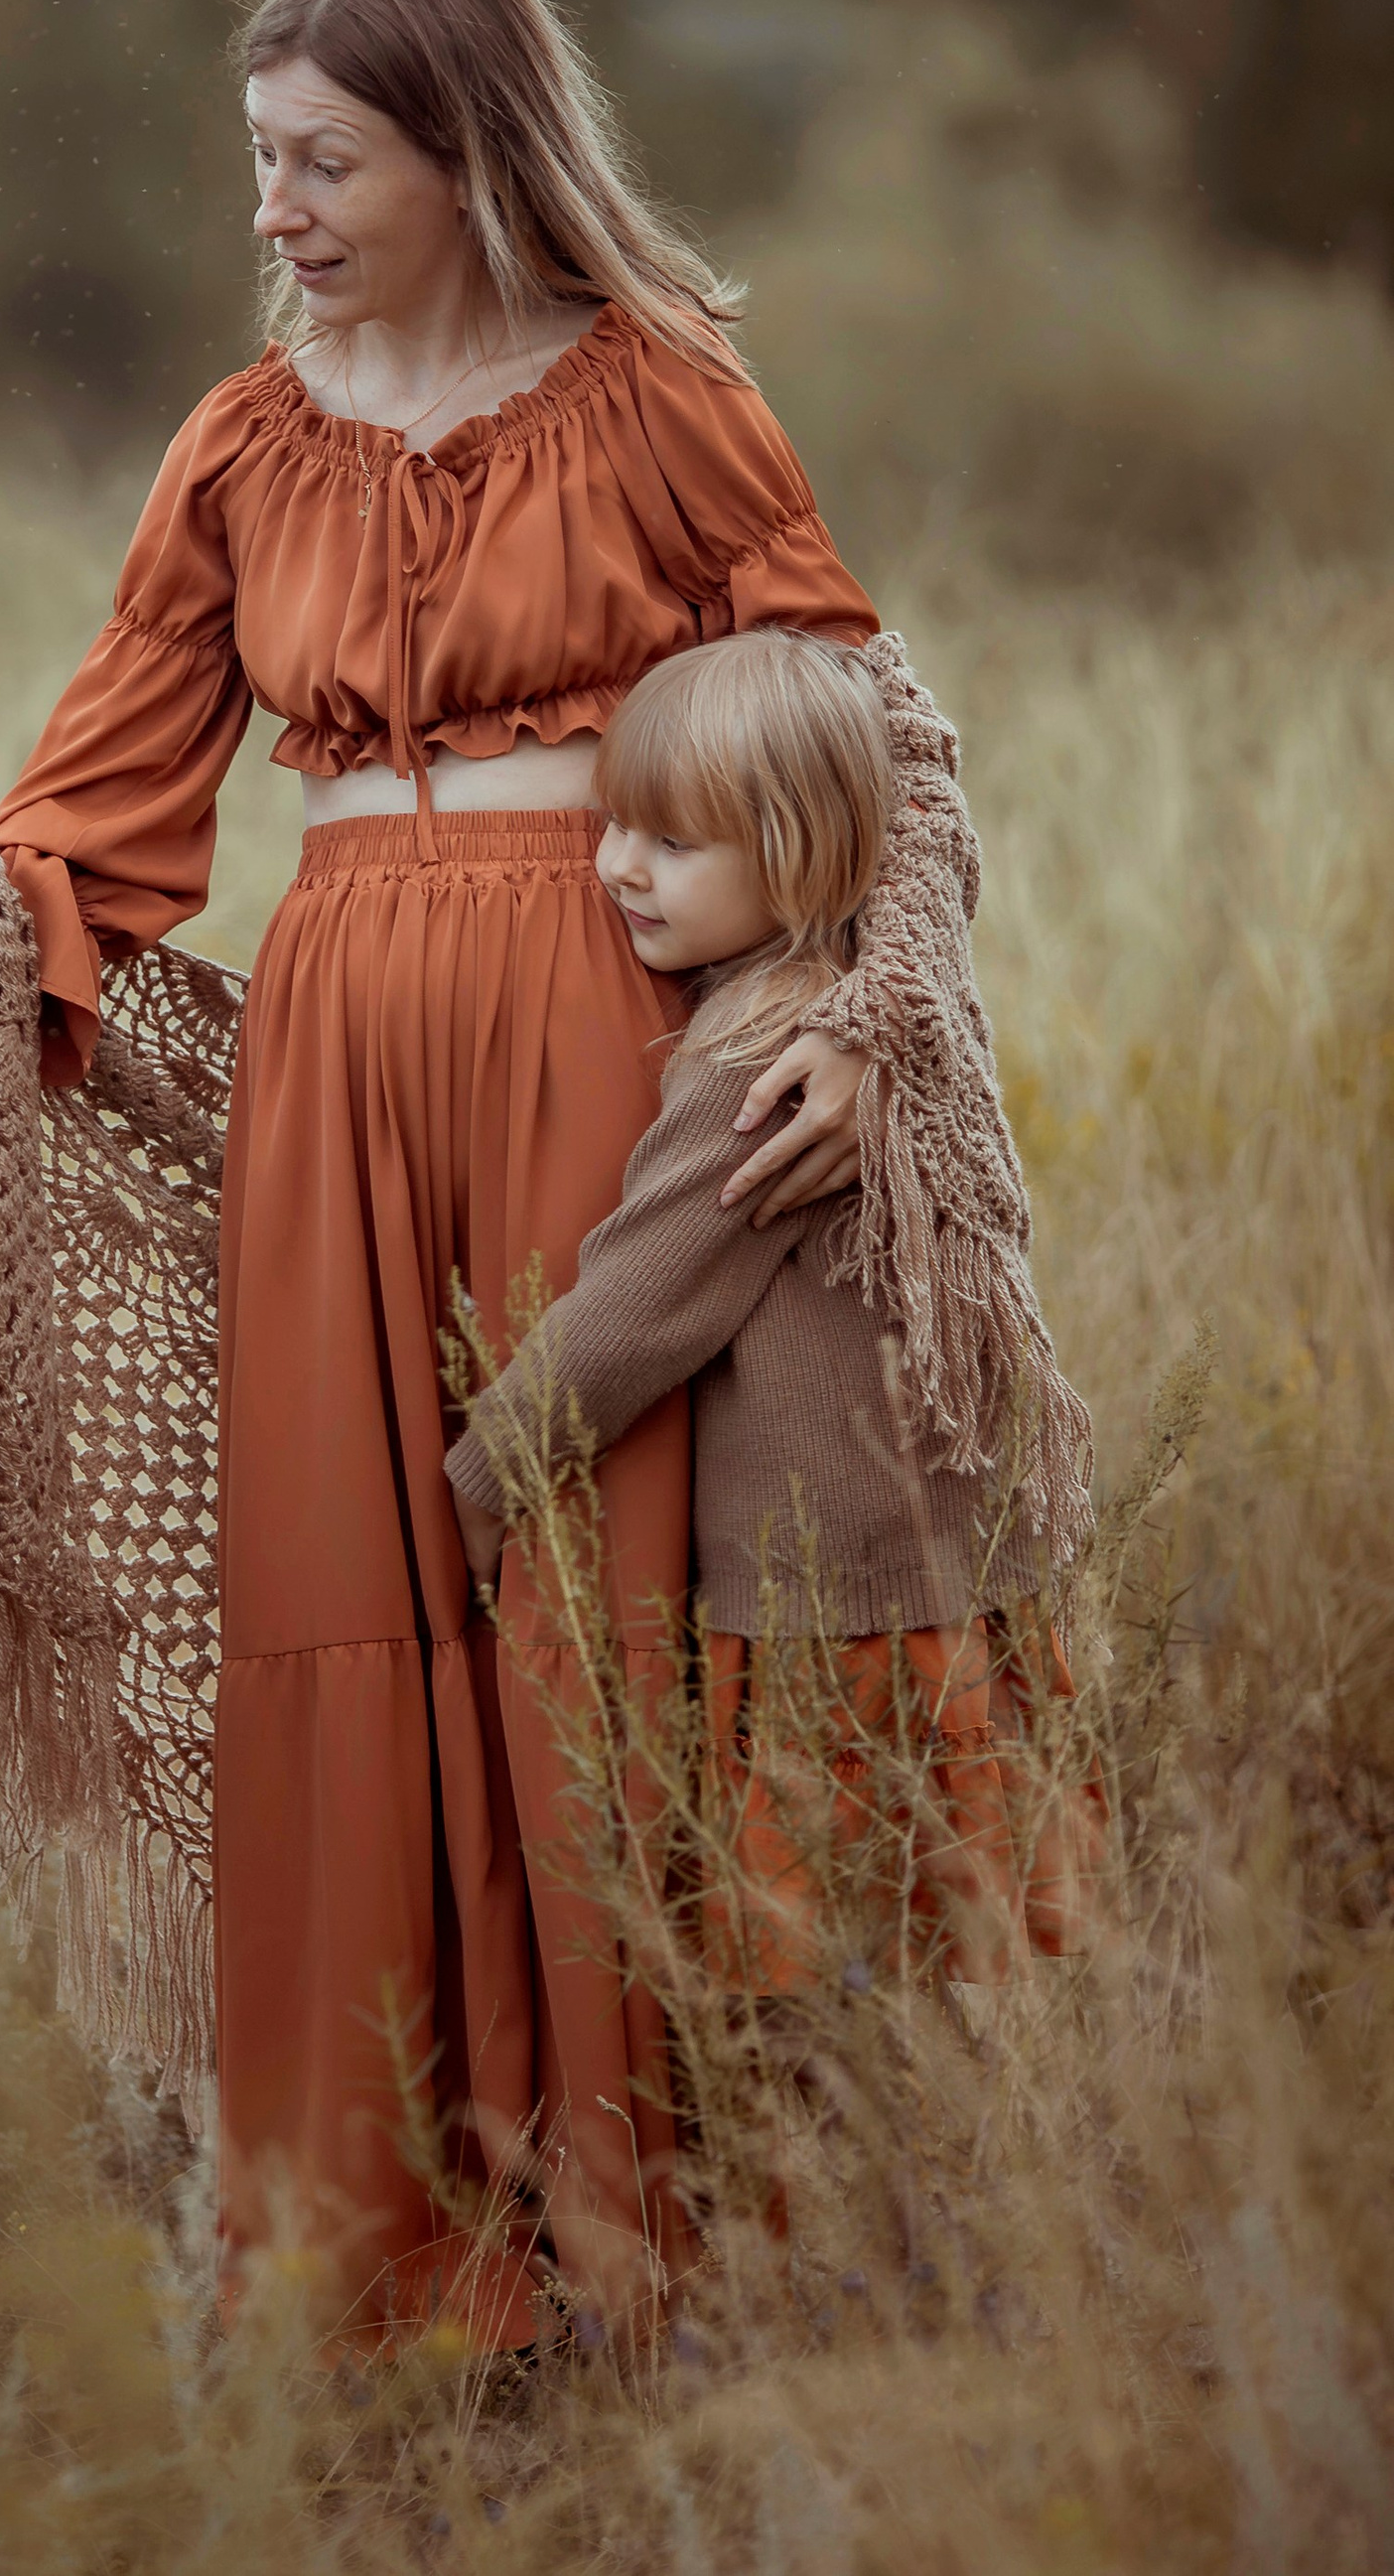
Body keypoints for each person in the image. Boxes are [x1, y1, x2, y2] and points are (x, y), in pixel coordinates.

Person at [0, 0, 895, 2343]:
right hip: (333, 1060)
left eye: (317, 162)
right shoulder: (240, 444)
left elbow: (847, 715)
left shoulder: (658, 393)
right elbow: (77, 812)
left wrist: (867, 997)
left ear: (462, 152)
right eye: (254, 161)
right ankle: (391, 2254)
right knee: (345, 1596)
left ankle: (647, 2234)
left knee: (581, 1588)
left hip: (593, 1025)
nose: (269, 210)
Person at [446, 635, 1095, 2003]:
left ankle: (854, 2196)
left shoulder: (760, 1061)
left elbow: (637, 1307)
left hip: (833, 1609)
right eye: (614, 820)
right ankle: (945, 2181)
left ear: (801, 859)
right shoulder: (878, 1004)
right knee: (950, 1965)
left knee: (821, 1981)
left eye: (672, 842)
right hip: (945, 1572)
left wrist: (481, 1476)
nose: (617, 864)